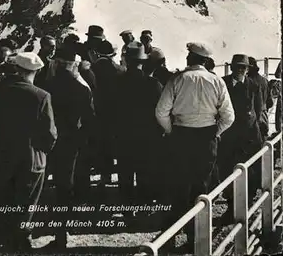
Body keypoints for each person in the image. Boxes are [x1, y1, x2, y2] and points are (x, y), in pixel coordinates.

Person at [155, 42, 235, 250]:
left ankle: (170, 237)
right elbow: (228, 117)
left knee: (178, 187)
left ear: (191, 59)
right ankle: (196, 239)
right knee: (201, 187)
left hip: (181, 137)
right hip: (206, 138)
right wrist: (215, 133)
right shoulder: (217, 81)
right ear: (205, 61)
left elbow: (161, 112)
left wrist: (172, 131)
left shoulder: (177, 79)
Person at [0, 52, 57, 252]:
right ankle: (22, 242)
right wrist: (42, 150)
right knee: (25, 205)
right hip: (30, 160)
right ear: (36, 71)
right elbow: (49, 134)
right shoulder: (41, 96)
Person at [47, 45, 95, 249]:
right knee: (65, 187)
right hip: (72, 142)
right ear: (73, 64)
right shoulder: (82, 88)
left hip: (48, 141)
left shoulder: (47, 85)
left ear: (58, 63)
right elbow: (90, 118)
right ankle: (62, 233)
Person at [115, 42, 163, 204]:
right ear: (143, 62)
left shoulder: (115, 83)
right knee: (145, 174)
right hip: (147, 138)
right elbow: (162, 112)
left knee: (125, 175)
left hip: (123, 137)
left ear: (127, 61)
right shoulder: (153, 84)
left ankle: (127, 207)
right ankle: (144, 206)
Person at [218, 54, 263, 220]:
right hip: (229, 135)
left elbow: (258, 110)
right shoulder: (222, 83)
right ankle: (230, 207)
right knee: (227, 170)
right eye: (237, 67)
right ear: (231, 67)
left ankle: (248, 204)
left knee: (250, 170)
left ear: (247, 69)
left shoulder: (254, 85)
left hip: (249, 136)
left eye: (243, 67)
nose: (240, 70)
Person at [91, 40, 124, 187]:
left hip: (98, 111)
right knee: (114, 143)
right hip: (116, 113)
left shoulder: (92, 69)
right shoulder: (120, 69)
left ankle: (105, 175)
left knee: (102, 145)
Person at [248, 57, 273, 139]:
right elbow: (270, 102)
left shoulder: (248, 82)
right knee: (263, 139)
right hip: (264, 115)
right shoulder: (265, 81)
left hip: (253, 117)